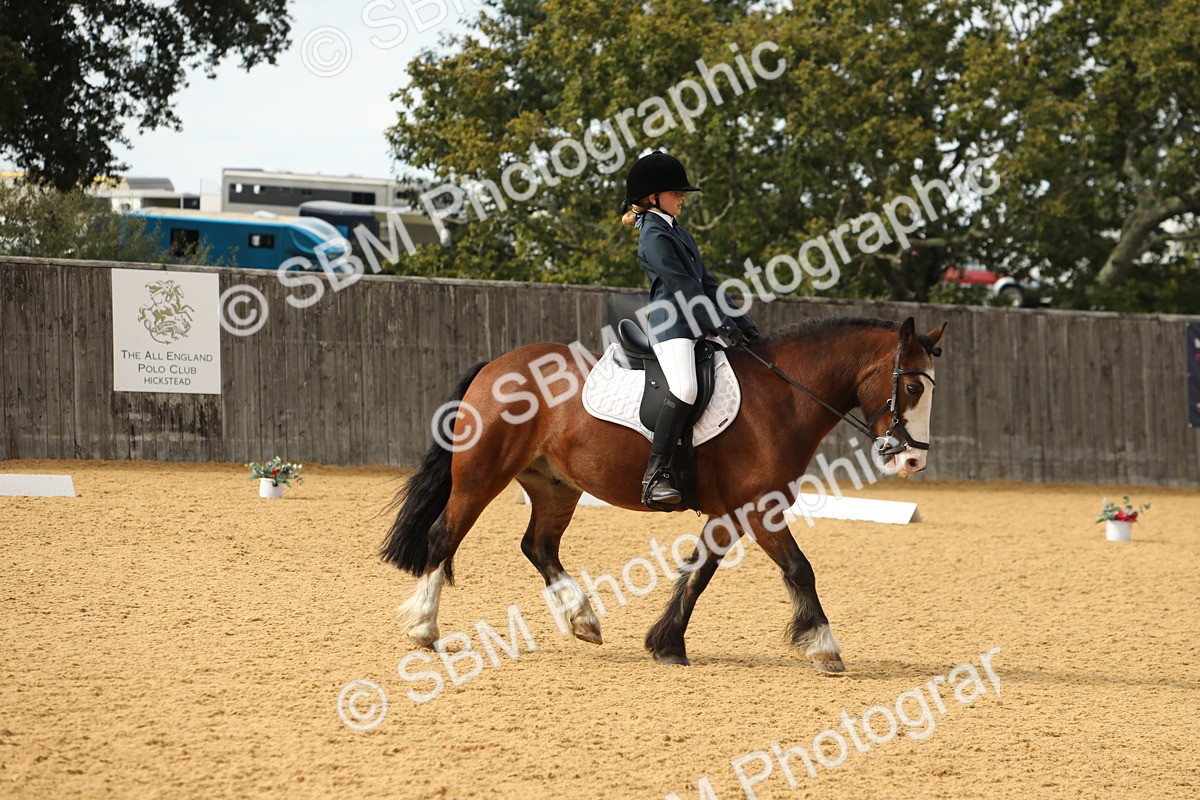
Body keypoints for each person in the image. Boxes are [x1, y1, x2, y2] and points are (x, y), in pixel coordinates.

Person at [620, 151, 761, 510]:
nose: (682, 197)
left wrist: (743, 325)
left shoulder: (678, 233)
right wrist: (719, 325)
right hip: (674, 328)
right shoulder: (653, 237)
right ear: (653, 197)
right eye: (675, 192)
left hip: (697, 324)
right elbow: (683, 287)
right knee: (684, 388)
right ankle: (654, 475)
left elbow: (708, 285)